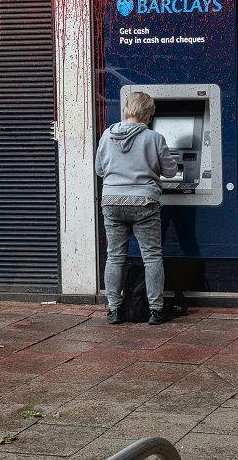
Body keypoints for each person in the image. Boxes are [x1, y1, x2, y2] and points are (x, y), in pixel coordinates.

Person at [95, 91, 178, 325]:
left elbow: (100, 169)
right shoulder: (154, 138)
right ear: (148, 114)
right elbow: (171, 171)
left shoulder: (106, 135)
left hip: (112, 201)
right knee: (151, 256)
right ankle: (156, 310)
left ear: (127, 110)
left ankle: (113, 310)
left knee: (115, 256)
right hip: (143, 202)